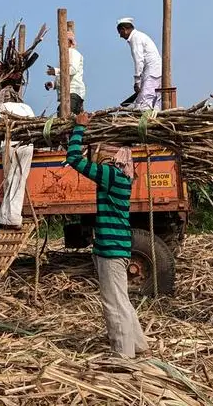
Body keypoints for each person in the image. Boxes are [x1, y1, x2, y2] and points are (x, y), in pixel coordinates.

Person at [66, 111, 149, 358]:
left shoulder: (111, 176)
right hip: (115, 248)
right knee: (121, 299)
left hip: (112, 250)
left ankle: (123, 355)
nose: (98, 156)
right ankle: (139, 346)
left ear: (113, 159)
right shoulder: (122, 178)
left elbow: (73, 159)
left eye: (103, 152)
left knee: (113, 303)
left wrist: (79, 128)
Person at [0, 101, 36, 229]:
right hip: (27, 145)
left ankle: (10, 218)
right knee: (19, 180)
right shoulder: (27, 107)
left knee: (9, 180)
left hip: (11, 146)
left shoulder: (3, 106)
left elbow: (0, 129)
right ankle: (8, 217)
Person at [116, 18, 161, 111]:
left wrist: (137, 81)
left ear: (124, 29)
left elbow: (138, 60)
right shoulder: (139, 36)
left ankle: (146, 123)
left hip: (152, 72)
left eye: (120, 32)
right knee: (152, 101)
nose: (120, 36)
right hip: (154, 72)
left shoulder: (135, 38)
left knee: (144, 103)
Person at [45, 31, 86, 115]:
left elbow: (72, 70)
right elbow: (64, 77)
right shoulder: (64, 56)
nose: (58, 43)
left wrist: (56, 71)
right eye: (58, 41)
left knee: (64, 113)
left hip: (74, 92)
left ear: (70, 42)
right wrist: (54, 84)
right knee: (61, 112)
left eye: (61, 40)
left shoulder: (73, 53)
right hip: (67, 94)